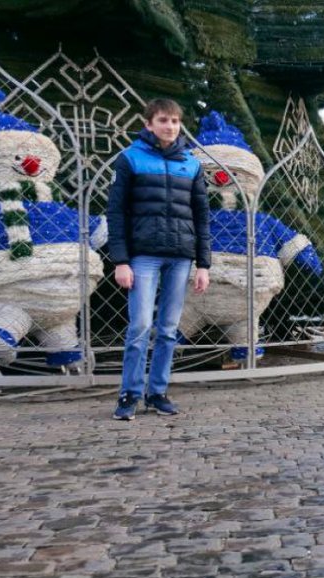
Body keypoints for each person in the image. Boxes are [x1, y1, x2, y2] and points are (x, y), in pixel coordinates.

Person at [107, 98, 211, 420]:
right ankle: (129, 394)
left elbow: (201, 215)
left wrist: (203, 264)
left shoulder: (192, 164)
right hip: (143, 257)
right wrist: (120, 261)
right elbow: (116, 212)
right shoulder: (130, 159)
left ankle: (157, 393)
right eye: (164, 120)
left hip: (180, 258)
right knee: (139, 327)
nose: (170, 126)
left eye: (175, 121)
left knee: (168, 329)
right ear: (149, 123)